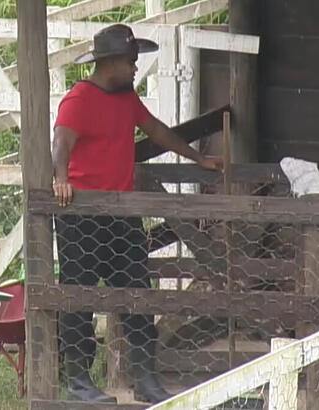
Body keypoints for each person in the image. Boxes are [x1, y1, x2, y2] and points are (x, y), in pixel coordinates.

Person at [52, 24, 222, 404]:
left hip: (123, 213)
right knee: (79, 297)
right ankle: (79, 381)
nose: (134, 68)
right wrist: (61, 178)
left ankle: (146, 378)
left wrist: (199, 158)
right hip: (80, 215)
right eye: (130, 61)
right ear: (109, 62)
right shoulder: (79, 98)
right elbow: (62, 140)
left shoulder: (127, 99)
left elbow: (158, 131)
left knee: (138, 294)